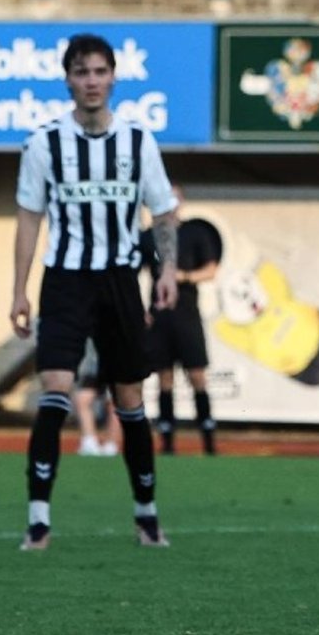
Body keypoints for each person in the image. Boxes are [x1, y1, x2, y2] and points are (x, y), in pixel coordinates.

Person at [11, 34, 182, 550]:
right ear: (68, 79)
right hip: (64, 279)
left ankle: (146, 514)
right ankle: (38, 520)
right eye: (81, 72)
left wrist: (168, 269)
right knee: (56, 388)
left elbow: (164, 209)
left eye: (100, 71)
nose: (91, 81)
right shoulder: (44, 143)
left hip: (120, 280)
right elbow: (28, 218)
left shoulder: (138, 141)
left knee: (129, 398)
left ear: (113, 78)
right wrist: (18, 291)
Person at [144, 195, 224, 456]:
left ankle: (208, 440)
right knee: (164, 377)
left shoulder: (194, 233)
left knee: (197, 375)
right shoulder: (148, 237)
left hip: (187, 316)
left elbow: (211, 269)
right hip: (159, 318)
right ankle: (167, 441)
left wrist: (183, 277)